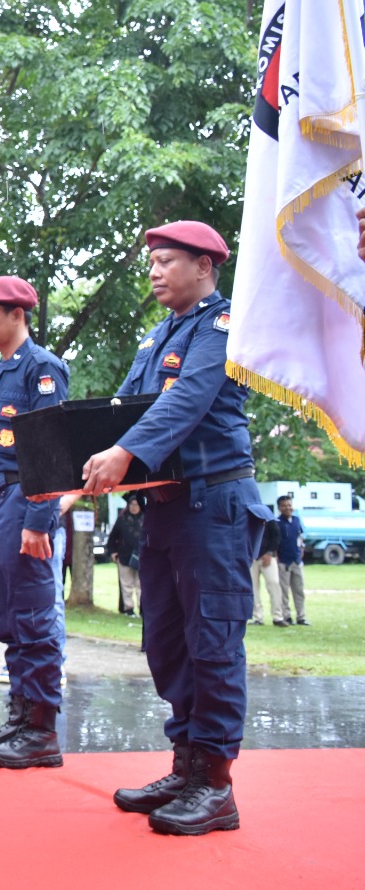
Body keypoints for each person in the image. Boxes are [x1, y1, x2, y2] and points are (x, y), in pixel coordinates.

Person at [81, 219, 268, 836]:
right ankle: (186, 765)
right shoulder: (159, 335)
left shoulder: (223, 325)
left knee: (211, 643)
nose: (156, 271)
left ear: (205, 268)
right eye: (153, 262)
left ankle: (215, 783)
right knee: (165, 642)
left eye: (167, 261)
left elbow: (185, 400)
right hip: (163, 510)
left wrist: (125, 455)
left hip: (213, 505)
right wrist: (66, 473)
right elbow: (125, 408)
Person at [0, 275, 69, 771]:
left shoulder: (41, 369)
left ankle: (41, 730)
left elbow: (50, 449)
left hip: (23, 501)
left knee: (34, 616)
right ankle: (20, 718)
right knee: (8, 616)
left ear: (16, 315)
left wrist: (39, 520)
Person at [106, 496, 144, 617]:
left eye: (136, 504)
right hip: (124, 556)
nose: (134, 507)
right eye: (132, 504)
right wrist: (113, 552)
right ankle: (128, 609)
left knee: (141, 585)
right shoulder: (122, 519)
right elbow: (113, 537)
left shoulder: (146, 518)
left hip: (142, 557)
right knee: (126, 585)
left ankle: (142, 609)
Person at [274, 495, 307, 625]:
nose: (287, 508)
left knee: (299, 590)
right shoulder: (277, 522)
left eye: (289, 505)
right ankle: (286, 616)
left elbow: (300, 537)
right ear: (279, 508)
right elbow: (276, 542)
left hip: (297, 560)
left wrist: (301, 552)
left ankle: (301, 616)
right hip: (284, 561)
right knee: (284, 591)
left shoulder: (297, 520)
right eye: (284, 505)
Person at [249, 518, 283, 626]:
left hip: (267, 557)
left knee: (274, 584)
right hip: (252, 558)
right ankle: (257, 617)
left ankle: (278, 616)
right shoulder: (248, 520)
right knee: (253, 588)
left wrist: (269, 552)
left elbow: (276, 536)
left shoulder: (269, 520)